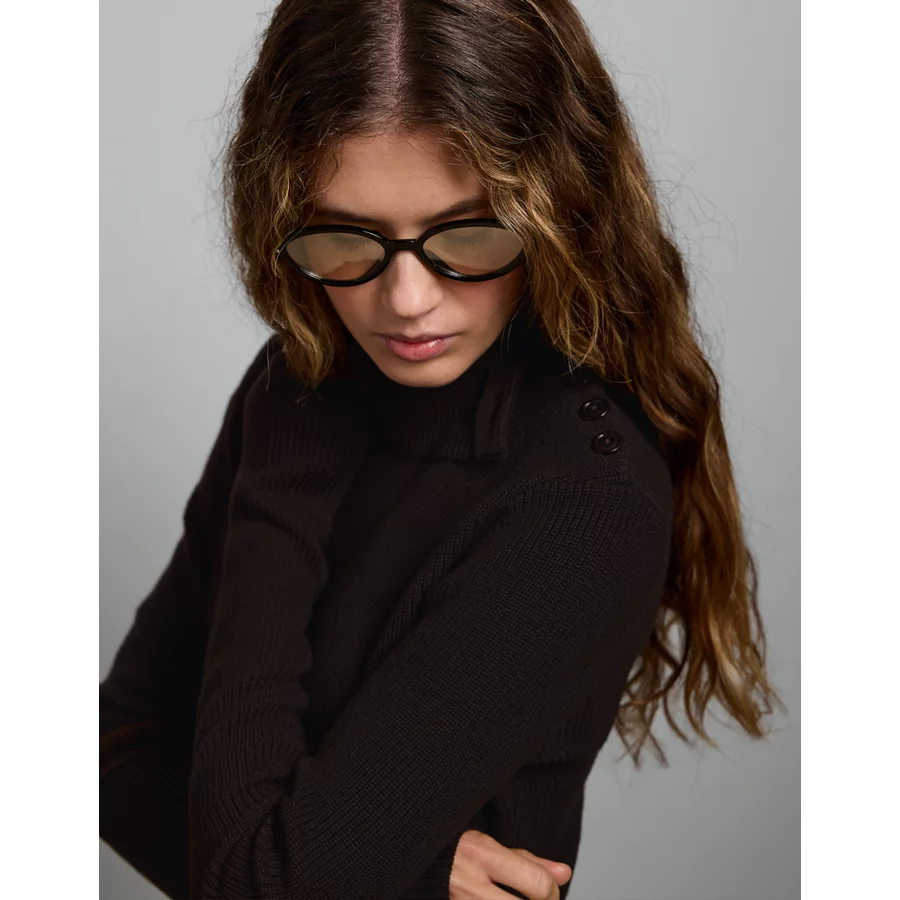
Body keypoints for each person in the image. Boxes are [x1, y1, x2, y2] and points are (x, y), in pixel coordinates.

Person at [99, 1, 785, 898]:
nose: (406, 300)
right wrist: (411, 875)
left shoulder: (584, 504)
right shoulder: (303, 382)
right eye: (347, 236)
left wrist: (307, 869)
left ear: (558, 207)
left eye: (466, 234)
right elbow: (112, 746)